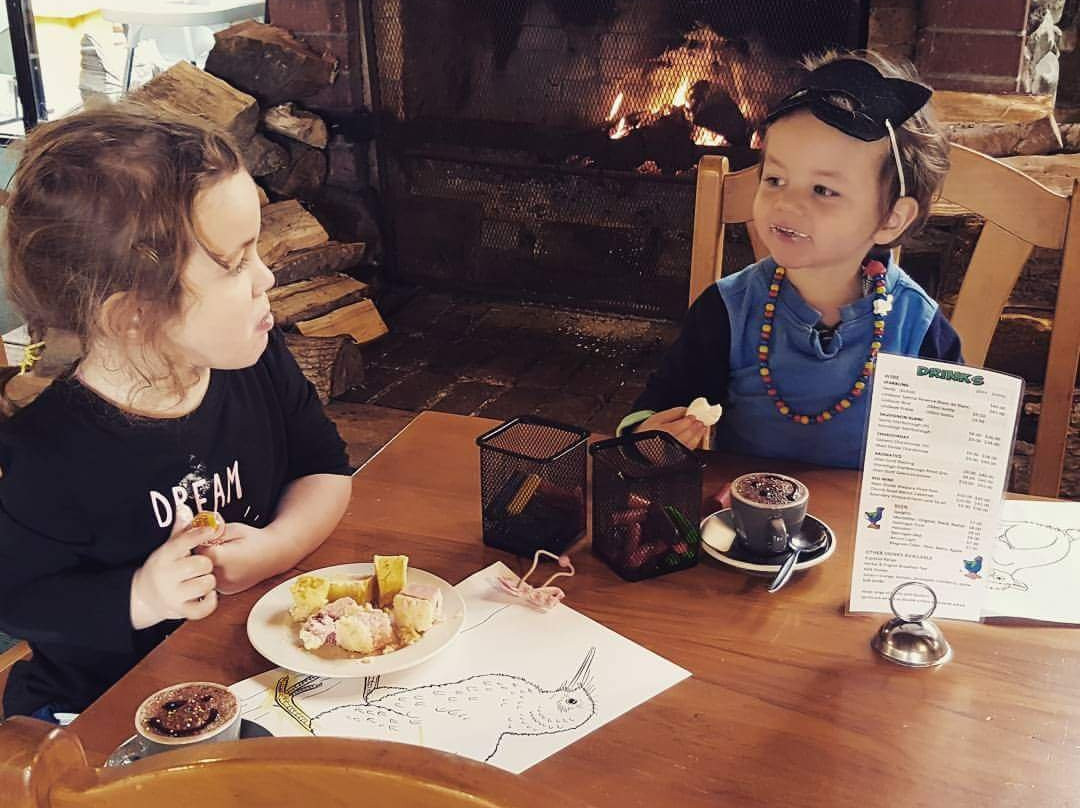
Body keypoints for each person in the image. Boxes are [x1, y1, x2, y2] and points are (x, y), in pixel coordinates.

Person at [0, 105, 354, 720]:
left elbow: (325, 467)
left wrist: (275, 546)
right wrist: (141, 595)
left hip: (247, 664)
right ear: (134, 315)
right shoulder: (46, 451)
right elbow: (18, 598)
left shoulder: (254, 362)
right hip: (107, 704)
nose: (266, 277)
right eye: (236, 262)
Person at [620, 51, 962, 468]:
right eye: (775, 179)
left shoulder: (919, 328)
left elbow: (953, 449)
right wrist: (647, 439)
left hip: (863, 509)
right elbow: (657, 407)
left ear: (891, 218)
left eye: (823, 190)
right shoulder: (728, 311)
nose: (786, 203)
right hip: (742, 505)